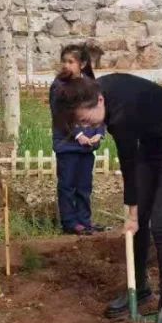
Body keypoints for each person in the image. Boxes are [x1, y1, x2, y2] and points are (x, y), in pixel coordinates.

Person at [52, 73, 162, 323]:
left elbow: (129, 165)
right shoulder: (95, 91)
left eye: (86, 119)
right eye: (80, 123)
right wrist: (134, 215)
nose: (85, 126)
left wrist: (131, 211)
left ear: (99, 101)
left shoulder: (121, 113)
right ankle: (140, 288)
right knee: (139, 222)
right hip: (151, 147)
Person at [50, 45, 106, 236]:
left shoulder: (91, 84)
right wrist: (79, 135)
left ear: (82, 64)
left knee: (84, 186)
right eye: (64, 61)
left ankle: (84, 220)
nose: (66, 65)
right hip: (67, 145)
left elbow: (99, 110)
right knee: (67, 185)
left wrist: (98, 133)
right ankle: (69, 222)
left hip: (87, 146)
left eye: (71, 62)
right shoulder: (59, 86)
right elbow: (60, 115)